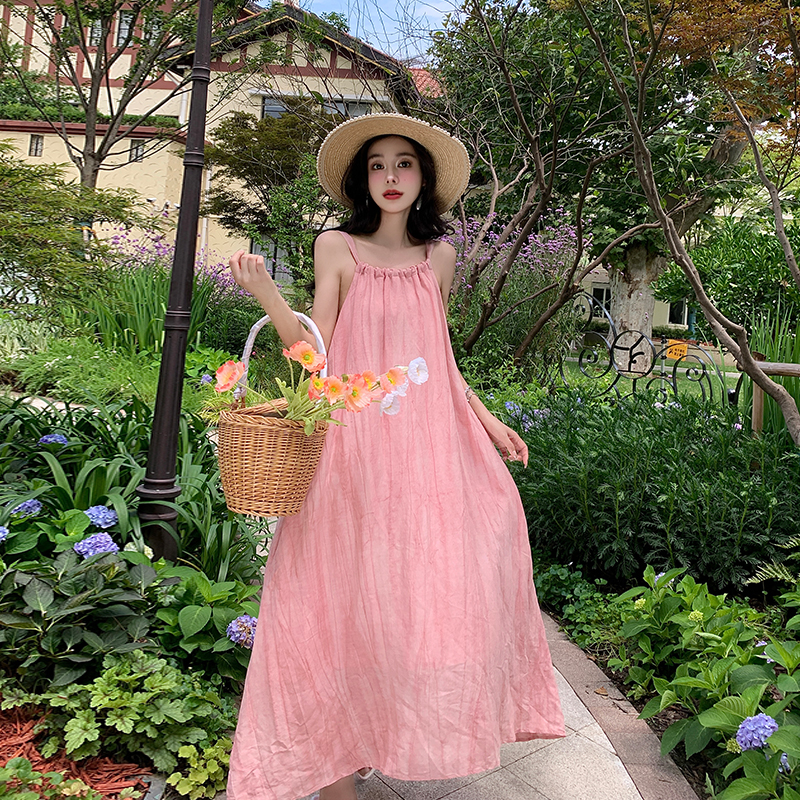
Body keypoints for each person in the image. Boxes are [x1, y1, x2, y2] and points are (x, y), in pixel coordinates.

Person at [225, 113, 565, 800]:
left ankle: (388, 732)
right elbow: (313, 353)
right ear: (361, 179)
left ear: (423, 179)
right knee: (332, 597)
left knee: (420, 594)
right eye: (377, 164)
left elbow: (438, 358)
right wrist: (267, 295)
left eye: (403, 164)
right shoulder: (336, 248)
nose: (390, 176)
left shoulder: (440, 258)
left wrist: (489, 421)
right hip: (350, 451)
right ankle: (333, 770)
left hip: (426, 453)